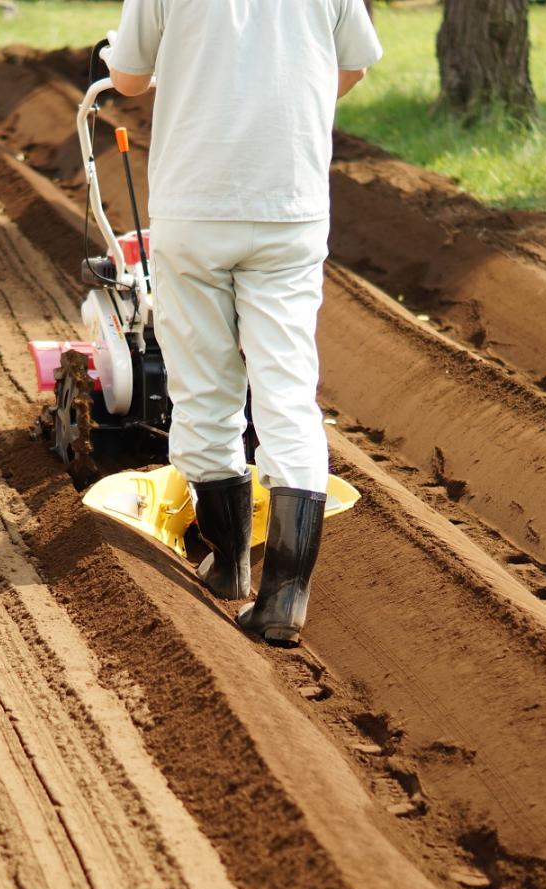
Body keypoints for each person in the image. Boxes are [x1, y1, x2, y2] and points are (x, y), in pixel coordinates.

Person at [107, 0, 382, 644]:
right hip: (291, 204)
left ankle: (228, 562)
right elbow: (352, 69)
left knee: (205, 384)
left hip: (195, 205)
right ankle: (285, 593)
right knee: (287, 389)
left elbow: (126, 79)